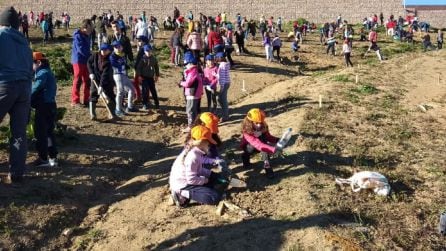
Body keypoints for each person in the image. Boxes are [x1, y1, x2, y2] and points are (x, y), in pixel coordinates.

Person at [0, 6, 33, 183]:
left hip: (5, 85)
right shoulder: (23, 41)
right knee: (19, 132)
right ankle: (17, 173)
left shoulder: (1, 35)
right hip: (24, 89)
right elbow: (30, 69)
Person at [169, 125, 227, 207]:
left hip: (190, 178)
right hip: (183, 184)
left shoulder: (195, 150)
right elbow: (191, 180)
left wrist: (211, 172)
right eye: (208, 142)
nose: (209, 144)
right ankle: (181, 195)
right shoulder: (192, 156)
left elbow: (198, 167)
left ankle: (201, 190)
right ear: (202, 142)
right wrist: (205, 180)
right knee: (214, 197)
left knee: (215, 179)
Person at [30, 52, 58, 167]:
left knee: (41, 133)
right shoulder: (47, 72)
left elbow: (35, 89)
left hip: (44, 106)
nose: (31, 66)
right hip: (50, 105)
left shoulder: (42, 73)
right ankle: (53, 158)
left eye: (32, 63)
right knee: (48, 133)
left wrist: (24, 99)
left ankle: (43, 159)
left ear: (39, 62)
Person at [240, 108, 281, 179]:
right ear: (250, 122)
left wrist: (277, 140)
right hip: (249, 146)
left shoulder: (263, 126)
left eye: (260, 122)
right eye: (256, 123)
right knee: (250, 150)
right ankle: (245, 159)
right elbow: (256, 143)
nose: (259, 125)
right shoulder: (247, 131)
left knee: (265, 154)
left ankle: (268, 170)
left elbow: (268, 136)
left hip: (262, 145)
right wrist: (271, 149)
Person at [87, 43, 117, 120]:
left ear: (109, 51)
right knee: (93, 94)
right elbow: (89, 63)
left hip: (107, 80)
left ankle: (112, 113)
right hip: (95, 78)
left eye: (105, 50)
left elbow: (105, 75)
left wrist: (101, 86)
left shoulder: (109, 60)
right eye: (102, 49)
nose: (103, 51)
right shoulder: (95, 55)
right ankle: (92, 114)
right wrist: (91, 73)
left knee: (110, 96)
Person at [110, 40, 137, 116]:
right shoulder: (112, 56)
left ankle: (130, 106)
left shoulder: (122, 54)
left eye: (118, 46)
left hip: (124, 75)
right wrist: (122, 65)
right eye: (115, 47)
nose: (117, 48)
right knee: (120, 92)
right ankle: (118, 109)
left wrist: (126, 65)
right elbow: (114, 64)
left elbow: (123, 63)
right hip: (117, 75)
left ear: (122, 47)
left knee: (132, 89)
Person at [71, 19, 93, 107]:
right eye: (90, 28)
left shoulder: (87, 36)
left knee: (87, 80)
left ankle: (86, 99)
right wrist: (90, 54)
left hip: (86, 60)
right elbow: (81, 49)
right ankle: (75, 100)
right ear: (85, 27)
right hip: (78, 60)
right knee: (78, 79)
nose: (91, 30)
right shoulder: (78, 36)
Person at [136, 44, 160, 111]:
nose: (148, 52)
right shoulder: (143, 59)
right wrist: (139, 76)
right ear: (144, 51)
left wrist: (157, 75)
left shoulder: (154, 59)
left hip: (151, 77)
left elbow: (156, 67)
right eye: (147, 51)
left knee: (153, 90)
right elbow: (139, 68)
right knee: (145, 91)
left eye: (150, 51)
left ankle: (157, 103)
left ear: (152, 51)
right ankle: (145, 104)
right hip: (144, 77)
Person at [215, 52, 230, 122]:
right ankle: (224, 114)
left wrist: (221, 87)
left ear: (221, 58)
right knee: (221, 99)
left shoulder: (222, 65)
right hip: (226, 83)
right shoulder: (225, 64)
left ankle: (225, 116)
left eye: (217, 57)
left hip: (223, 84)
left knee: (223, 100)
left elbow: (222, 77)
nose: (216, 58)